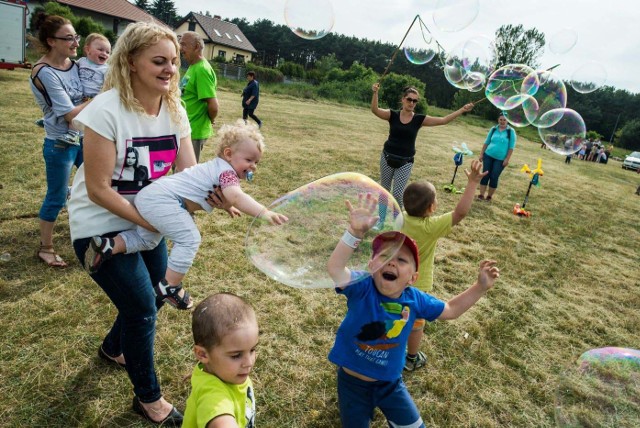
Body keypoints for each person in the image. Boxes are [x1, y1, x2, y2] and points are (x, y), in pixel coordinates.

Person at [67, 21, 215, 425]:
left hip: (148, 220)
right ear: (131, 62)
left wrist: (215, 192)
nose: (169, 69)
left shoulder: (175, 107)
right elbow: (98, 189)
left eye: (173, 61)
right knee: (142, 311)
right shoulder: (105, 110)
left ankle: (114, 349)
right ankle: (148, 400)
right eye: (158, 61)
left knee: (156, 296)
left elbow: (189, 176)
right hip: (99, 225)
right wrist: (155, 220)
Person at [326, 194, 500, 428]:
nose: (391, 263)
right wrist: (355, 233)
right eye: (385, 256)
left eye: (401, 259)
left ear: (413, 278)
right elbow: (335, 268)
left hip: (390, 385)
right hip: (351, 384)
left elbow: (450, 310)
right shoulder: (362, 287)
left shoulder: (415, 300)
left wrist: (480, 287)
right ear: (371, 265)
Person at [84, 121, 288, 311]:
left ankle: (108, 246)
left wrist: (227, 207)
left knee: (147, 240)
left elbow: (224, 196)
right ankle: (169, 287)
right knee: (190, 239)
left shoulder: (217, 166)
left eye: (257, 162)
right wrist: (264, 212)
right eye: (249, 160)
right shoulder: (227, 173)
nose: (253, 166)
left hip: (152, 197)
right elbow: (235, 195)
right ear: (228, 153)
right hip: (163, 200)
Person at [400, 159, 487, 371]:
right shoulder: (431, 227)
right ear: (432, 208)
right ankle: (411, 358)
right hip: (417, 285)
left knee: (393, 315)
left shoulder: (398, 219)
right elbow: (460, 213)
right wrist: (472, 183)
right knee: (415, 324)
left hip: (394, 280)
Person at [30, 14, 90, 267]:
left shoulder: (76, 65)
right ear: (51, 41)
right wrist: (102, 99)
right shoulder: (43, 72)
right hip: (60, 144)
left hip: (84, 138)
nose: (75, 43)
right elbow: (69, 115)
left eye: (76, 37)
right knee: (55, 196)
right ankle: (46, 248)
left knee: (99, 182)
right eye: (69, 38)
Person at [370, 83, 473, 223]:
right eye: (409, 99)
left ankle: (397, 223)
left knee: (398, 194)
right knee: (384, 190)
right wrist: (375, 93)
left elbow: (443, 120)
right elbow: (375, 110)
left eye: (415, 101)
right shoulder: (392, 115)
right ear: (403, 99)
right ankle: (380, 220)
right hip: (387, 157)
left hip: (405, 162)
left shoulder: (419, 119)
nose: (412, 103)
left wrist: (462, 110)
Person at [182, 293, 258, 427]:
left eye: (252, 350)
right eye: (236, 355)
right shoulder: (213, 397)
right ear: (202, 354)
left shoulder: (218, 370)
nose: (249, 363)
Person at [179, 31, 219, 162]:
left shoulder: (202, 69)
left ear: (196, 47)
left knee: (186, 175)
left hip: (194, 131)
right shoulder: (193, 67)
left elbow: (213, 105)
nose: (180, 48)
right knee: (179, 173)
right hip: (185, 129)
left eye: (184, 45)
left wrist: (210, 119)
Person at [477, 113, 516, 202]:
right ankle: (481, 195)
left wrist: (507, 159)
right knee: (485, 175)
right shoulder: (494, 129)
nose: (502, 122)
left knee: (494, 176)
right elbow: (486, 142)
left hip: (500, 159)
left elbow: (511, 147)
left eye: (504, 120)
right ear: (498, 120)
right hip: (488, 155)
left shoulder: (511, 132)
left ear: (507, 121)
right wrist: (481, 154)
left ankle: (489, 196)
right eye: (500, 120)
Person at [77, 33, 111, 99]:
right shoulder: (81, 61)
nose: (104, 54)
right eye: (100, 50)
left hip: (95, 98)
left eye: (108, 52)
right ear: (87, 50)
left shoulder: (106, 69)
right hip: (80, 97)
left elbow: (108, 86)